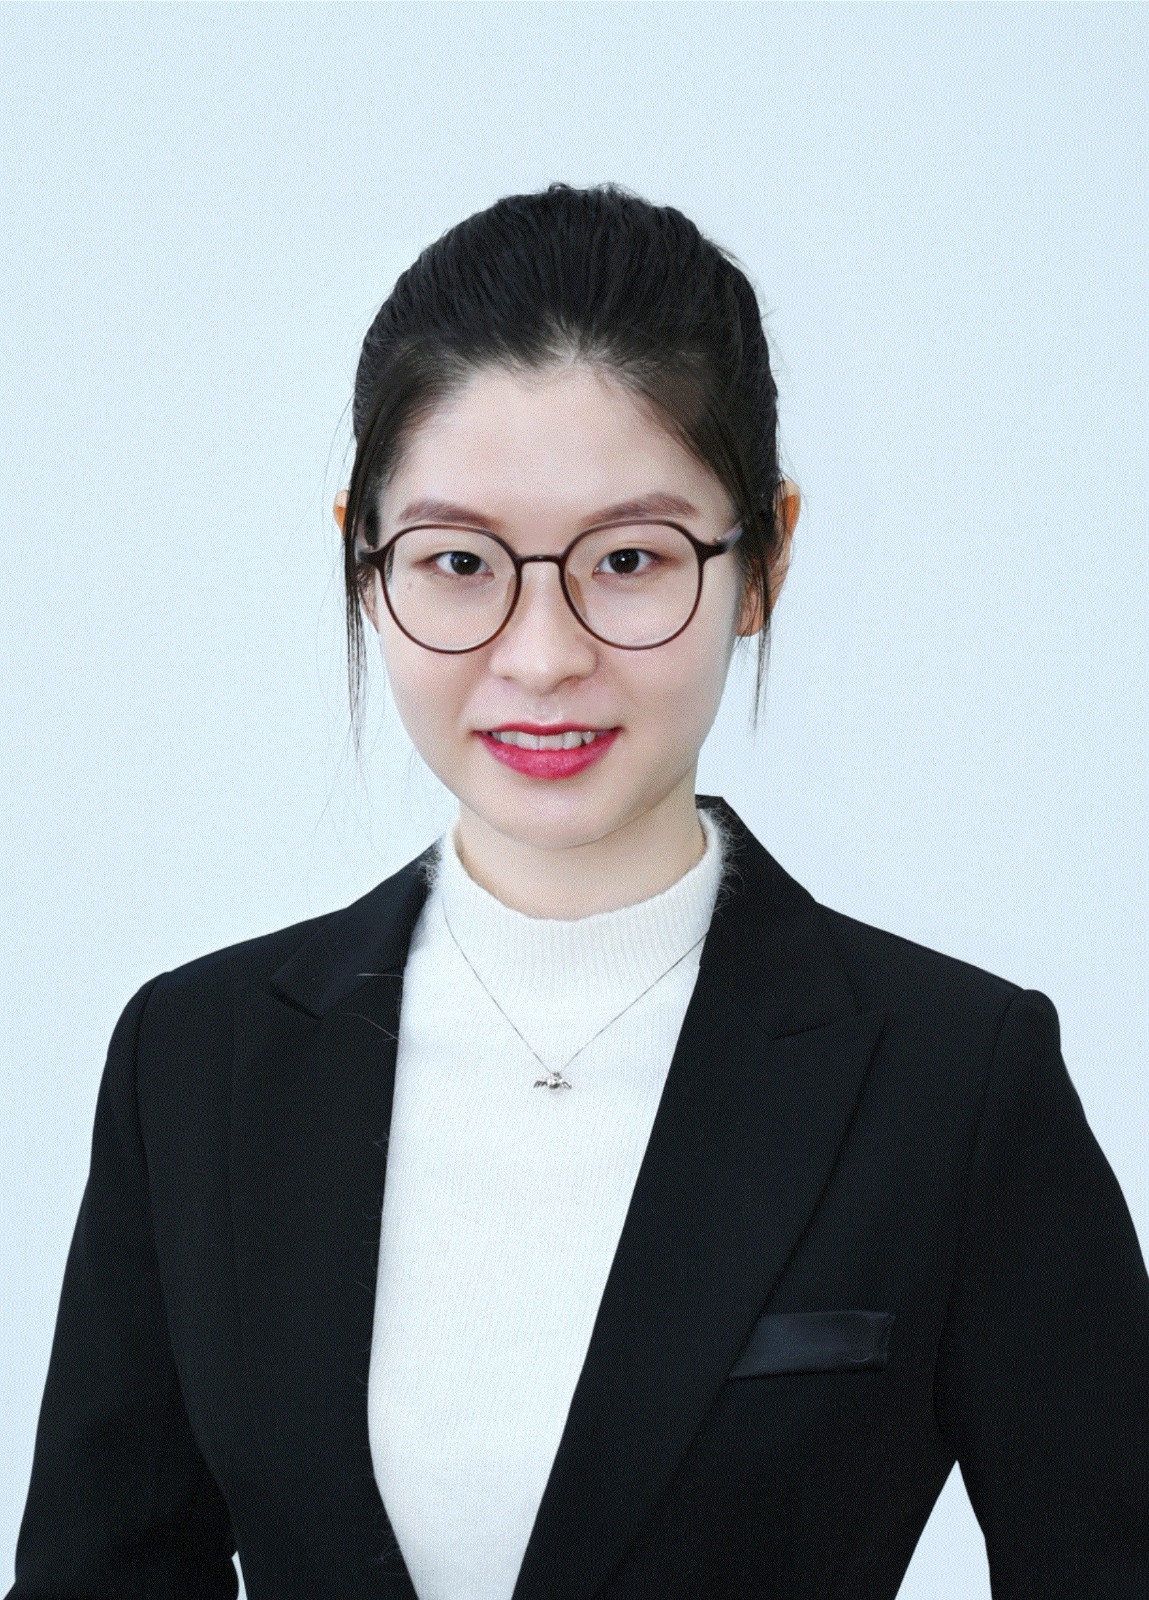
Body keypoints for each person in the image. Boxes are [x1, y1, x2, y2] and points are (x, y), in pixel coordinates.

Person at [7, 183, 1147, 1600]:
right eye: (457, 562)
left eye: (628, 560)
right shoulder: (197, 1061)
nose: (541, 655)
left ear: (762, 563)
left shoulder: (955, 1081)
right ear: (362, 562)